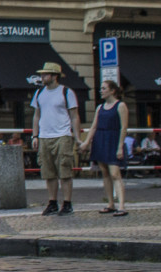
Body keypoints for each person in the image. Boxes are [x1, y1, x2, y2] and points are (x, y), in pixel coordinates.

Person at [30, 62, 84, 216]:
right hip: (45, 136)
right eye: (42, 74)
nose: (42, 77)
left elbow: (74, 116)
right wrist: (35, 135)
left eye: (45, 74)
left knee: (64, 170)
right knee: (48, 172)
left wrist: (77, 137)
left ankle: (67, 203)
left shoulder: (66, 92)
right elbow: (36, 115)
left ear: (54, 76)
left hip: (62, 135)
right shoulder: (39, 93)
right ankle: (52, 202)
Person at [80, 80, 129, 217]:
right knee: (105, 173)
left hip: (113, 139)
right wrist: (87, 142)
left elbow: (123, 127)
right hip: (100, 139)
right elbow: (94, 126)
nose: (101, 91)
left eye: (104, 88)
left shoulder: (121, 106)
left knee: (115, 173)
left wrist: (120, 146)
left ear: (112, 90)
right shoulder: (100, 107)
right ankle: (110, 203)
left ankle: (122, 205)